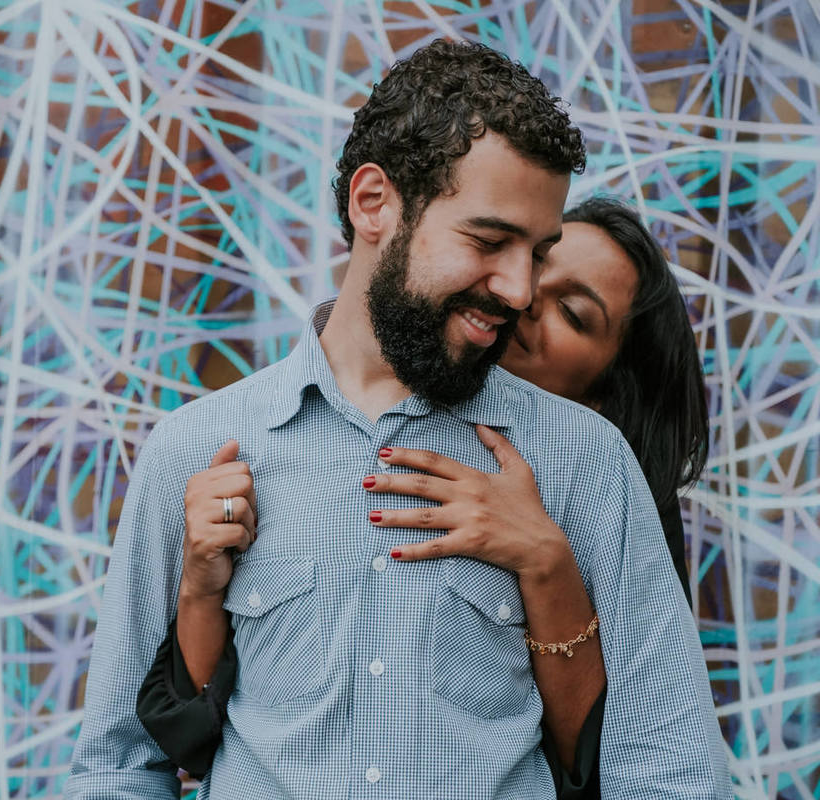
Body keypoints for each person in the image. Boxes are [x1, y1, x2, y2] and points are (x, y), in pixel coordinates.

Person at [66, 41, 729, 799]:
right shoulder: (194, 449)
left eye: (537, 252)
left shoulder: (584, 461)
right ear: (373, 202)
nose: (518, 290)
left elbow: (672, 774)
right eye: (488, 241)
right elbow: (117, 768)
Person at [134, 197, 710, 798]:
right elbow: (179, 745)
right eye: (531, 264)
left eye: (572, 311)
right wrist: (200, 585)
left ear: (604, 395)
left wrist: (546, 560)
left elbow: (625, 764)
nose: (521, 294)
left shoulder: (598, 474)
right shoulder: (240, 443)